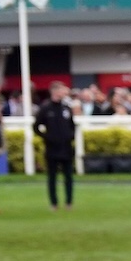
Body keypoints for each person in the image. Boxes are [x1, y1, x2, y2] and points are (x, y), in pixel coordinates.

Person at [35, 81, 78, 209]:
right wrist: (47, 137)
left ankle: (69, 202)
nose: (64, 92)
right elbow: (36, 126)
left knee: (68, 177)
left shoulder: (66, 108)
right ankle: (54, 203)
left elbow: (72, 125)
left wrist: (70, 137)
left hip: (66, 148)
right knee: (52, 177)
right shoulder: (45, 108)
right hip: (52, 149)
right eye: (61, 90)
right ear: (54, 91)